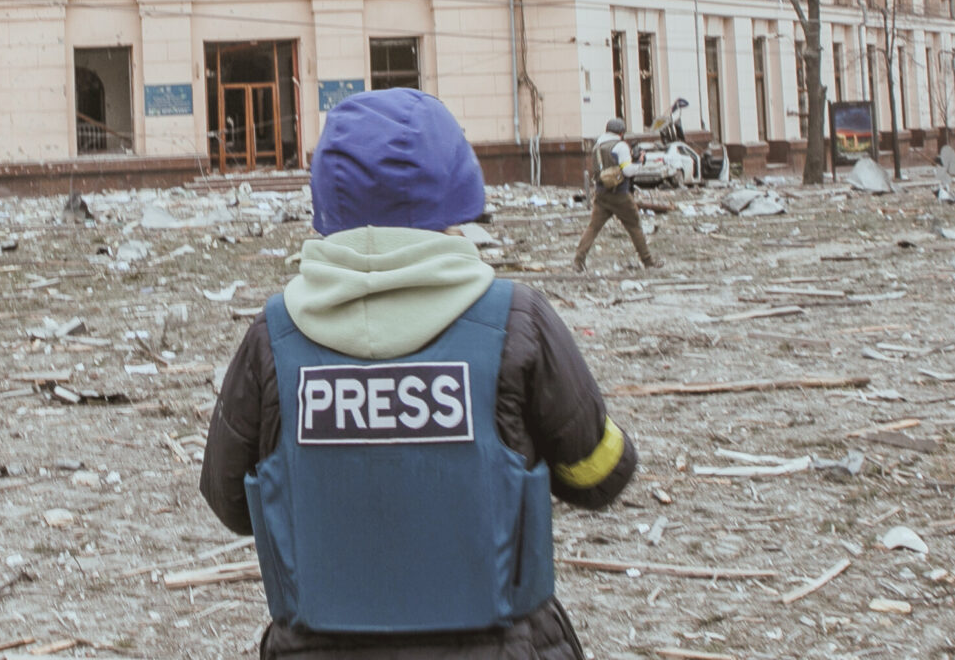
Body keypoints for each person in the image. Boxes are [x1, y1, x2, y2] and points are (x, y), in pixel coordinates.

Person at [201, 88, 636, 660]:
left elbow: (229, 501)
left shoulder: (272, 338)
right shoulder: (518, 321)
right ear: (457, 185)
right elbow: (599, 475)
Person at [575, 117, 657, 270]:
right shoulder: (620, 146)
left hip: (601, 193)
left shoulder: (597, 145)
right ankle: (648, 261)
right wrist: (639, 162)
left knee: (593, 228)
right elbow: (627, 170)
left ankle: (578, 261)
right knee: (634, 226)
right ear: (621, 132)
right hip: (619, 194)